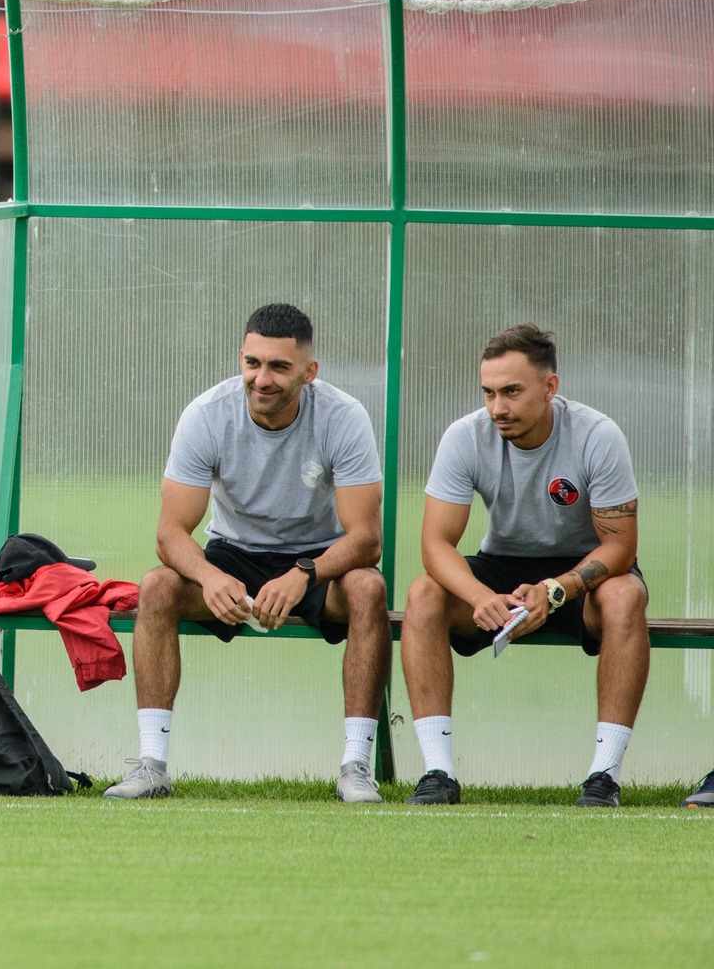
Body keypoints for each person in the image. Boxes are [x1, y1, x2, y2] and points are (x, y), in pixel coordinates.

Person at [107, 303, 389, 803]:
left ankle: (356, 768)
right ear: (240, 358)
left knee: (369, 588)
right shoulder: (206, 414)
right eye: (252, 363)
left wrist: (304, 573)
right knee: (157, 586)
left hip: (316, 561)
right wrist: (211, 578)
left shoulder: (344, 417)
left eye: (280, 367)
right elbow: (170, 533)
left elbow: (367, 539)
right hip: (232, 556)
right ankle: (151, 764)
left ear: (309, 371)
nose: (262, 379)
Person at [400, 324, 646, 807]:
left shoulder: (598, 435)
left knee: (625, 595)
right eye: (489, 393)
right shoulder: (465, 435)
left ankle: (603, 778)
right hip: (500, 568)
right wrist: (478, 596)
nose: (498, 408)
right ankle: (437, 773)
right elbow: (434, 543)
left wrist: (556, 590)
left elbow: (620, 547)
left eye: (511, 391)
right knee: (423, 593)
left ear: (549, 387)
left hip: (579, 572)